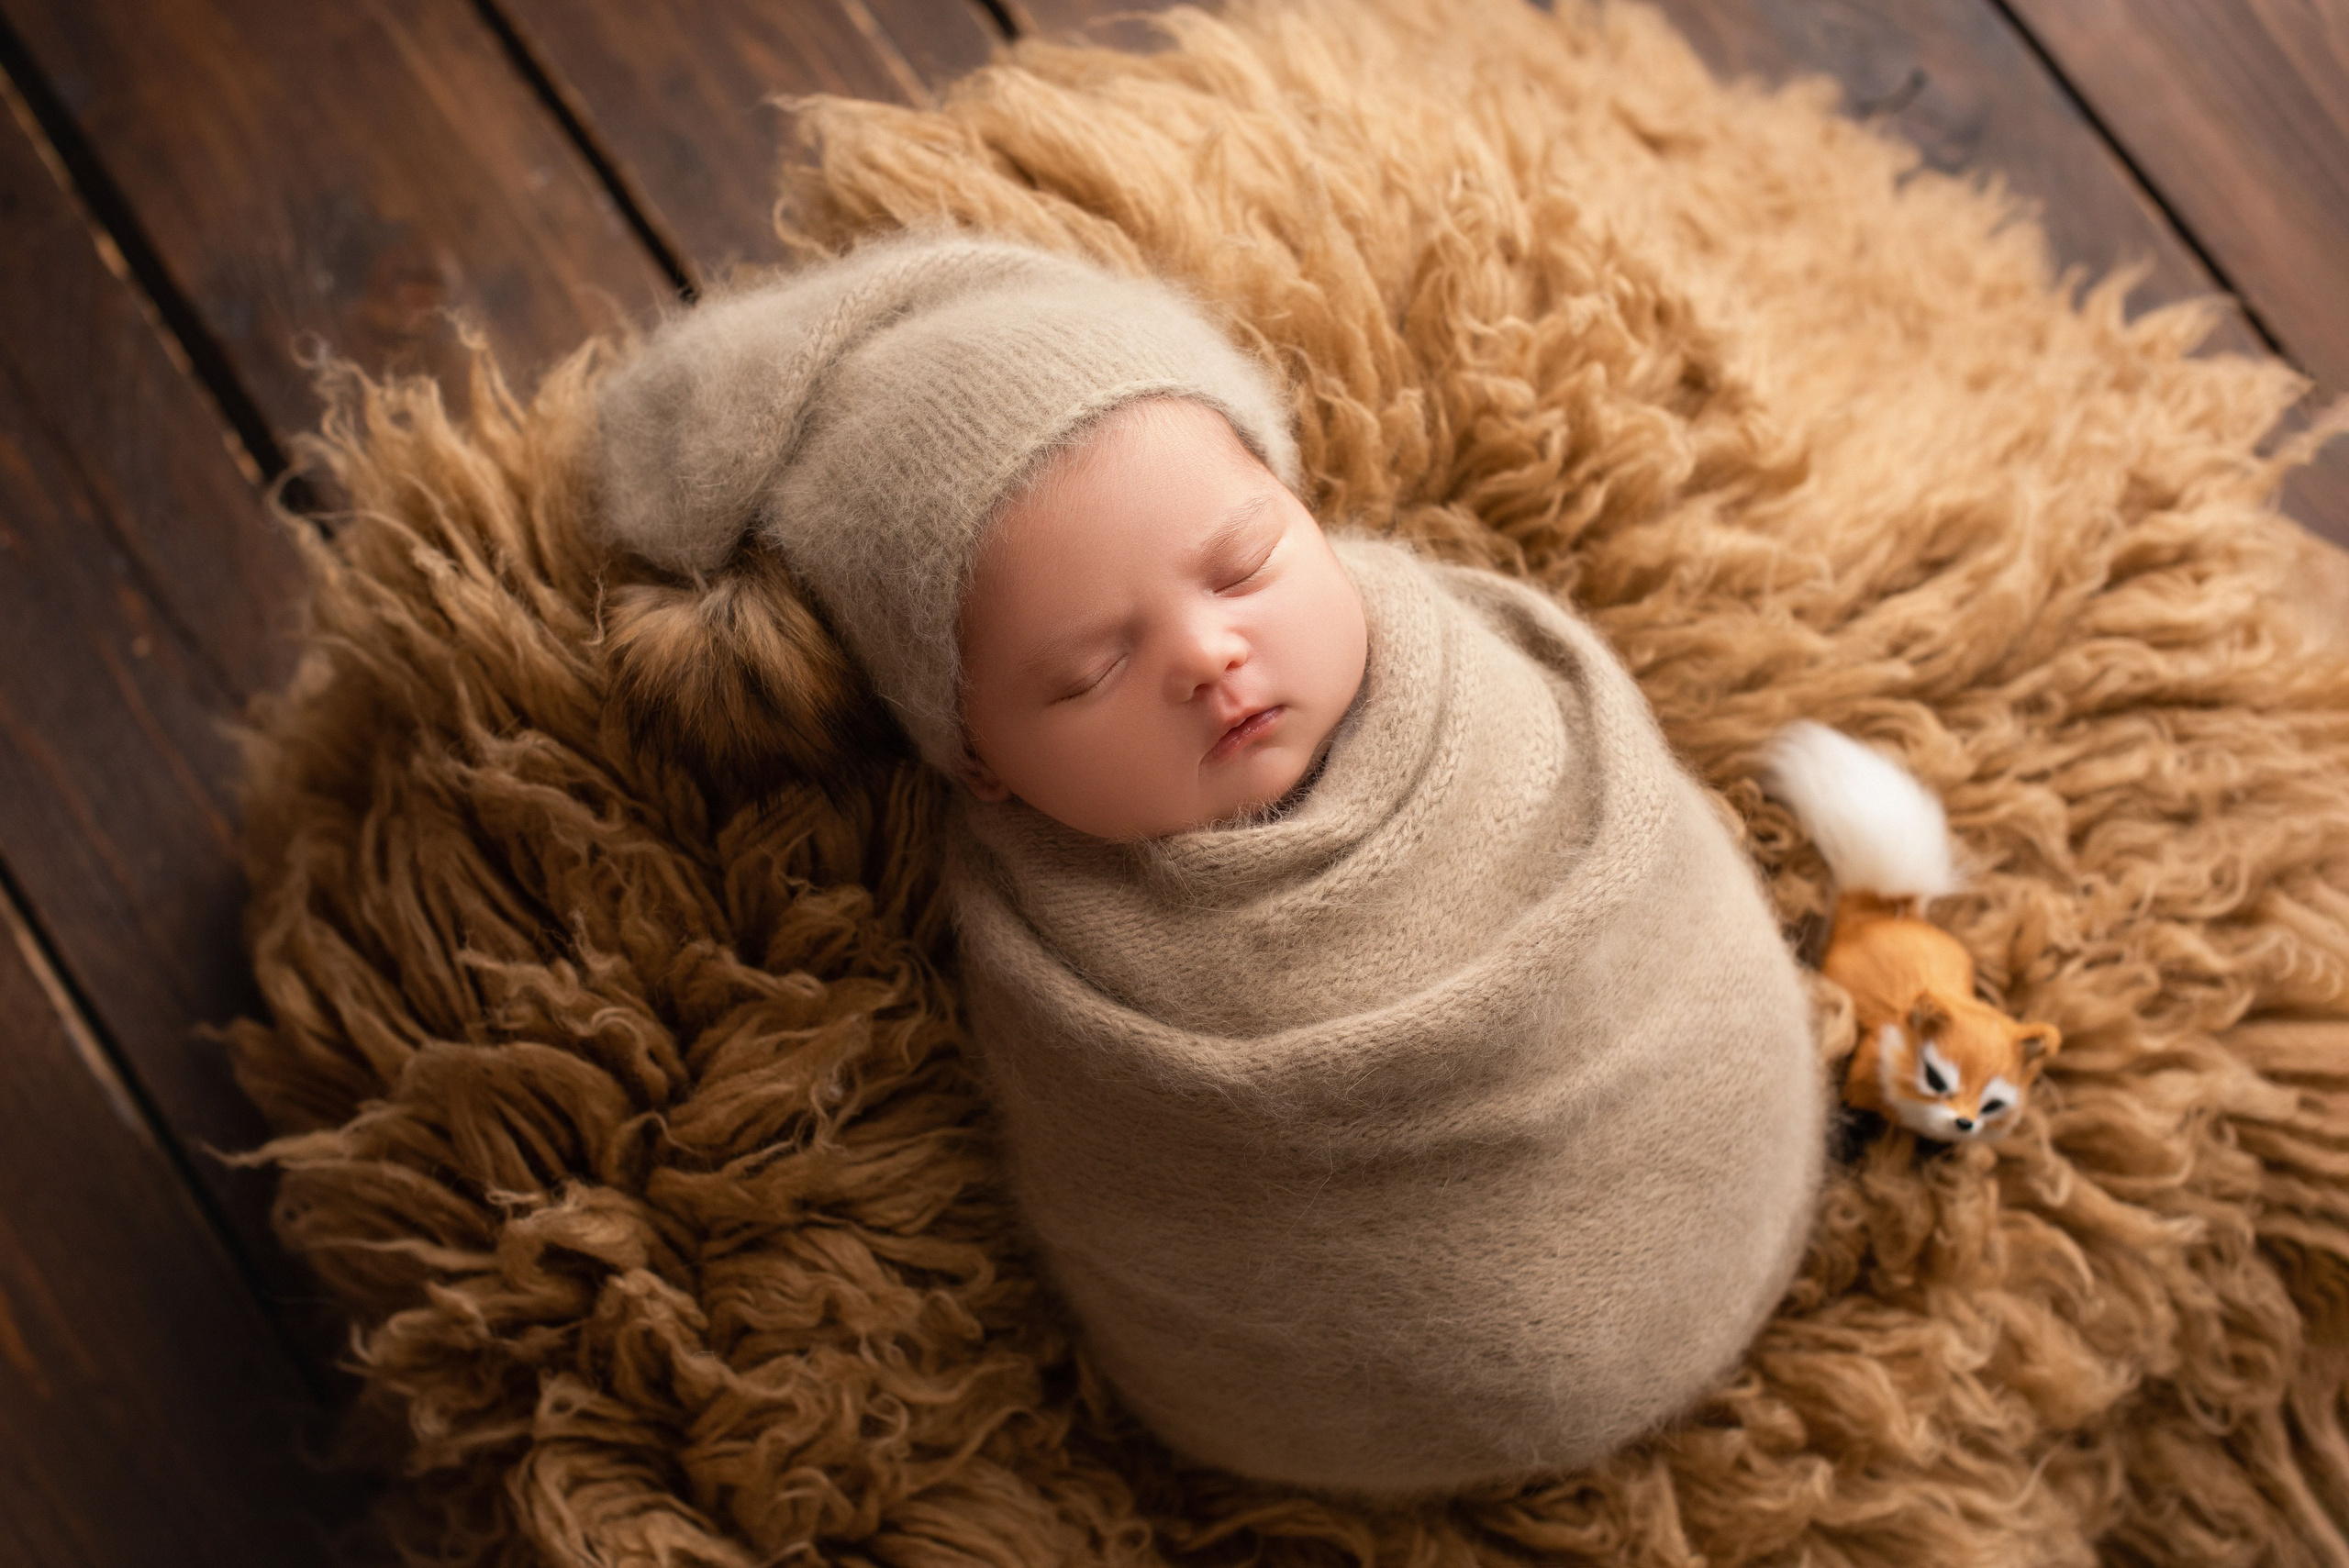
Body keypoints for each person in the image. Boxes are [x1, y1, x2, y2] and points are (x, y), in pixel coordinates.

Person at [596, 231, 1826, 1496]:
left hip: (1713, 1147)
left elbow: (1672, 927)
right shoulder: (1060, 951)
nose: (1208, 654)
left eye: (1246, 564)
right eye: (1089, 671)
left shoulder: (1502, 688)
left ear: (1305, 505)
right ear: (980, 761)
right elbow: (1150, 1202)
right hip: (1352, 1392)